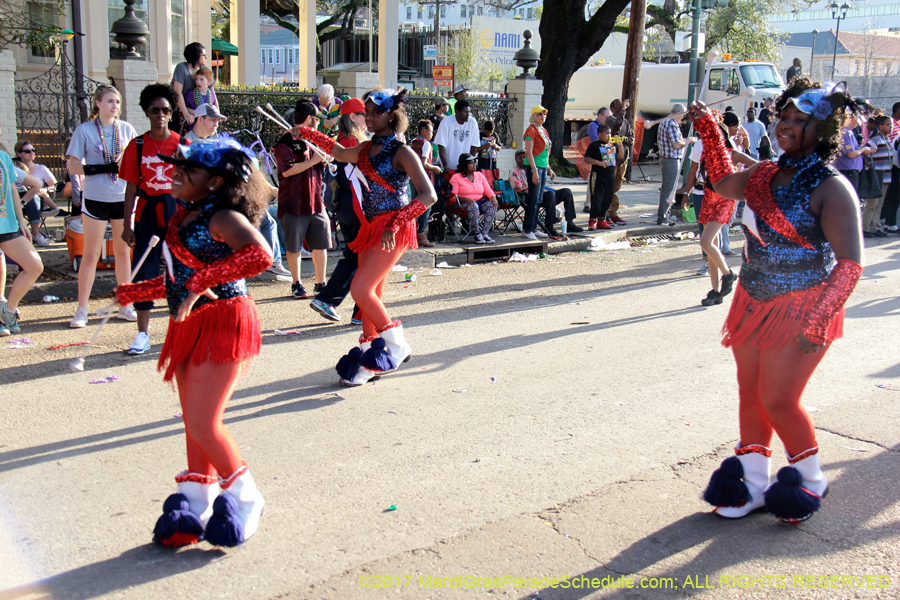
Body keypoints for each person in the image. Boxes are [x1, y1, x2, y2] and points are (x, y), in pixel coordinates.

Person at [692, 79, 864, 523]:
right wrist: (711, 132)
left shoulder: (833, 187)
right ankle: (752, 482)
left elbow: (849, 264)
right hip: (752, 299)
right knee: (750, 393)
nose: (785, 126)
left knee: (779, 399)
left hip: (803, 306)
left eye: (799, 120)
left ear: (823, 131)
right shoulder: (764, 173)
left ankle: (809, 479)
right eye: (783, 117)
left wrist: (820, 319)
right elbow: (723, 182)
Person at [114, 136, 272, 547]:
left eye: (190, 169)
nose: (177, 172)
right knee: (192, 421)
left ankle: (245, 497)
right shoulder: (183, 215)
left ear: (217, 183)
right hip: (189, 321)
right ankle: (198, 497)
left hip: (223, 319)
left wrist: (203, 281)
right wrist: (137, 291)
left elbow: (260, 256)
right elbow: (178, 277)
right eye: (177, 165)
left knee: (204, 421)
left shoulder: (221, 217)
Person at [294, 88, 437, 386]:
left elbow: (429, 195)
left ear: (393, 116)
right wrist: (307, 132)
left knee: (361, 289)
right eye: (367, 113)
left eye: (377, 113)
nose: (370, 118)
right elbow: (335, 151)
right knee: (372, 293)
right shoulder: (363, 149)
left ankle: (398, 346)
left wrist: (395, 223)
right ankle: (370, 358)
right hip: (369, 228)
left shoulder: (402, 151)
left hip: (392, 230)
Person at [120, 84, 186, 355]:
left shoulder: (182, 145)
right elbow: (131, 188)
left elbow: (191, 184)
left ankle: (180, 331)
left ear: (171, 113)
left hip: (175, 211)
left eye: (165, 110)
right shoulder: (136, 145)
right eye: (154, 110)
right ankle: (143, 334)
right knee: (144, 270)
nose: (160, 114)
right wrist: (126, 225)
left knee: (179, 270)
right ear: (147, 112)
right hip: (146, 211)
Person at [66, 84, 138, 328]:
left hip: (122, 198)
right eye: (109, 101)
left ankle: (125, 305)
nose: (115, 106)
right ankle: (82, 309)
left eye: (117, 102)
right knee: (91, 254)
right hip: (96, 199)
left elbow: (135, 160)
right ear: (98, 103)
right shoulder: (84, 130)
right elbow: (73, 167)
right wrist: (102, 168)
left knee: (122, 252)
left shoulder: (126, 128)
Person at [678, 117, 756, 305]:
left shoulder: (732, 153)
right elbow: (693, 172)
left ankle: (729, 274)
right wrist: (686, 193)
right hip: (707, 199)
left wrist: (744, 184)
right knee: (709, 246)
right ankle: (715, 292)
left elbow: (757, 165)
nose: (706, 141)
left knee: (705, 241)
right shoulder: (705, 155)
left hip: (725, 202)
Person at [310, 98, 367, 323]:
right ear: (353, 117)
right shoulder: (352, 141)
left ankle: (338, 303)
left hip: (347, 206)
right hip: (356, 207)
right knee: (362, 259)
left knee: (355, 258)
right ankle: (349, 307)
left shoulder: (343, 139)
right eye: (365, 114)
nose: (369, 119)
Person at [274, 101, 331, 300]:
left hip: (316, 201)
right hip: (294, 202)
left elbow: (323, 163)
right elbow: (287, 170)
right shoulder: (285, 142)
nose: (318, 124)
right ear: (308, 119)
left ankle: (320, 283)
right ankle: (296, 283)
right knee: (293, 245)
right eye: (316, 120)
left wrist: (323, 159)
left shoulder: (314, 140)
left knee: (321, 243)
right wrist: (314, 160)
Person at [0, 133, 44, 336]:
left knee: (34, 266)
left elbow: (12, 192)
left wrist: (20, 220)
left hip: (7, 225)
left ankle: (8, 310)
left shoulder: (4, 158)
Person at [522, 105, 557, 240]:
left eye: (544, 114)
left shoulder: (543, 130)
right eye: (539, 114)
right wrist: (534, 170)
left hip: (542, 166)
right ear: (533, 116)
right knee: (534, 199)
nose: (542, 116)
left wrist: (549, 168)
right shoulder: (531, 130)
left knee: (539, 199)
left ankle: (534, 228)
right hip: (534, 167)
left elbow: (546, 152)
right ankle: (527, 229)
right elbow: (529, 153)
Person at [409, 119, 443, 248]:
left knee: (414, 204)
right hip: (425, 178)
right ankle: (421, 234)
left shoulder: (413, 142)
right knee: (426, 204)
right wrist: (435, 168)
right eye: (430, 130)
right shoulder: (426, 144)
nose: (432, 133)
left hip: (413, 176)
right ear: (424, 131)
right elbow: (424, 163)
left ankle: (411, 234)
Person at [583, 123, 624, 230]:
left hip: (610, 175)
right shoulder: (595, 145)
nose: (609, 136)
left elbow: (620, 156)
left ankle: (602, 218)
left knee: (608, 198)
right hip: (598, 175)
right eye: (606, 134)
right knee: (597, 197)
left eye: (610, 134)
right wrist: (598, 162)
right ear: (600, 134)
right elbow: (587, 158)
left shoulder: (612, 145)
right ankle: (593, 219)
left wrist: (620, 145)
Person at [450, 153, 498, 244]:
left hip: (479, 202)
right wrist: (465, 199)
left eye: (474, 162)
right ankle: (477, 234)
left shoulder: (479, 175)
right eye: (471, 163)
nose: (474, 164)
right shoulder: (456, 177)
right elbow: (453, 196)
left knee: (492, 205)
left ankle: (484, 233)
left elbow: (487, 189)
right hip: (460, 204)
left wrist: (493, 197)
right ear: (465, 165)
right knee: (473, 205)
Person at [14, 140, 66, 218]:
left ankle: (48, 210)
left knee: (35, 196)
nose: (32, 152)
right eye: (27, 151)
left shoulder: (41, 168)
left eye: (33, 150)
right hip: (18, 199)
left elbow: (55, 186)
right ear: (19, 154)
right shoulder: (15, 168)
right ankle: (55, 210)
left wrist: (46, 189)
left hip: (38, 200)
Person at [433, 99, 482, 177]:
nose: (467, 115)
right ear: (457, 111)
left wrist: (471, 163)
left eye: (469, 112)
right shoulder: (446, 122)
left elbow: (474, 145)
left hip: (465, 168)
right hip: (449, 167)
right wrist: (445, 165)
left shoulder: (472, 122)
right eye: (465, 112)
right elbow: (441, 145)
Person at [656, 104, 686, 225]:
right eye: (683, 115)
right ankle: (663, 217)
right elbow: (676, 144)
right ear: (678, 112)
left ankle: (665, 214)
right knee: (669, 190)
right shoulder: (672, 124)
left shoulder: (664, 121)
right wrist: (688, 141)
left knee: (667, 188)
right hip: (671, 159)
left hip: (665, 158)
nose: (683, 117)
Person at [862, 115, 892, 238]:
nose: (890, 127)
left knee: (879, 204)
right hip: (877, 176)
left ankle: (874, 227)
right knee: (872, 204)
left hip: (886, 177)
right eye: (888, 125)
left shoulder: (887, 139)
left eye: (891, 125)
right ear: (880, 126)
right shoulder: (876, 139)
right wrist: (869, 165)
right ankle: (865, 227)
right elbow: (865, 149)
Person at [171, 42, 208, 131]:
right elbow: (177, 92)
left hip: (198, 114)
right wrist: (186, 114)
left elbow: (212, 93)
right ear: (196, 55)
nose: (206, 58)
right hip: (178, 112)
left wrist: (216, 114)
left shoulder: (205, 70)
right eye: (204, 55)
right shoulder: (181, 68)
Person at [608, 98, 633, 224]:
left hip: (623, 158)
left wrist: (621, 140)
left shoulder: (627, 123)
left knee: (616, 187)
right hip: (612, 159)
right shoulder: (610, 120)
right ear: (612, 108)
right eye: (617, 103)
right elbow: (616, 126)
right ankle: (608, 213)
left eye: (620, 103)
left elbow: (631, 139)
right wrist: (623, 110)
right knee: (610, 186)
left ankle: (613, 213)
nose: (620, 105)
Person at [832, 113, 872, 193]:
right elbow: (851, 154)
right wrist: (863, 150)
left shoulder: (849, 131)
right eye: (857, 120)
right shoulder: (846, 132)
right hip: (848, 170)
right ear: (852, 118)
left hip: (849, 170)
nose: (858, 123)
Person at [183, 67, 219, 133]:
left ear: (209, 82)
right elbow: (185, 108)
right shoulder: (191, 94)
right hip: (195, 126)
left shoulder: (212, 95)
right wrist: (197, 113)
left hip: (208, 127)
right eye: (196, 79)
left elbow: (214, 110)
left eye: (201, 79)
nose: (198, 81)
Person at [882, 101, 900, 232]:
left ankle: (888, 219)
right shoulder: (892, 123)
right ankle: (890, 221)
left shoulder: (897, 124)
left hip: (895, 164)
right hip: (893, 165)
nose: (890, 127)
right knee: (893, 194)